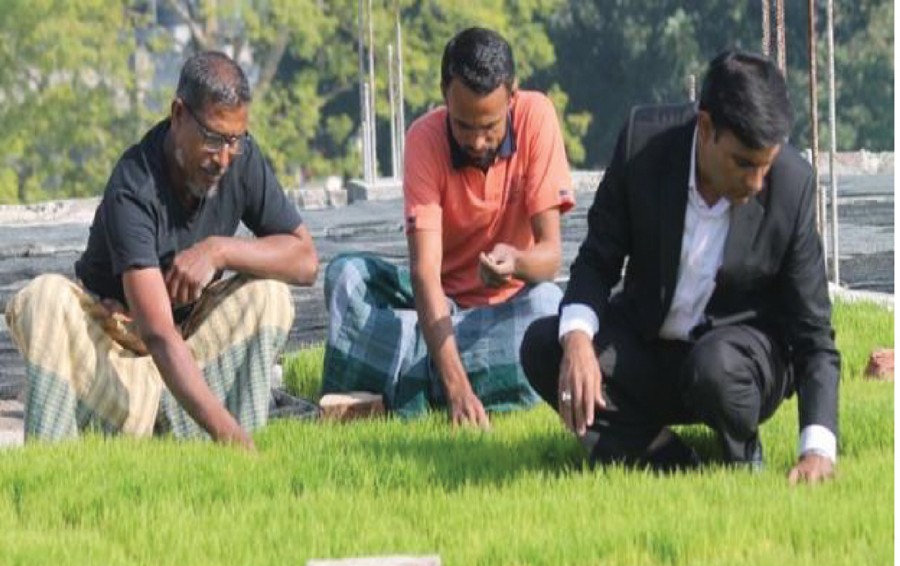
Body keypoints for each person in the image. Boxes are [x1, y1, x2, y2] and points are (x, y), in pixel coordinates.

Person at [520, 50, 840, 484]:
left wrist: (818, 449)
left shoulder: (793, 185)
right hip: (648, 349)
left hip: (737, 365)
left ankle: (742, 453)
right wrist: (577, 342)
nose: (757, 183)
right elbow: (597, 259)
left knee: (714, 367)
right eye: (744, 164)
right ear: (705, 128)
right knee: (545, 345)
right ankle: (663, 457)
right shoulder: (642, 144)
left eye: (765, 165)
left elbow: (814, 335)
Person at [5, 51, 318, 450]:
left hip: (190, 356)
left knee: (268, 295)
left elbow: (305, 260)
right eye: (212, 138)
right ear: (178, 114)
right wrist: (232, 439)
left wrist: (219, 250)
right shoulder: (134, 186)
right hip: (112, 364)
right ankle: (57, 466)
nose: (223, 158)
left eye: (234, 141)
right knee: (44, 298)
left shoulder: (241, 161)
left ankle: (219, 450)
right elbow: (156, 334)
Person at [321, 27, 575, 427]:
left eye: (489, 127)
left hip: (506, 310)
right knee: (346, 277)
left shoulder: (537, 117)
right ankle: (460, 379)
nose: (476, 141)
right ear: (444, 95)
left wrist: (518, 263)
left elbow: (551, 256)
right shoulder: (423, 138)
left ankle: (400, 379)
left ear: (512, 97)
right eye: (463, 126)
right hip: (439, 306)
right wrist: (457, 386)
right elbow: (424, 273)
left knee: (546, 310)